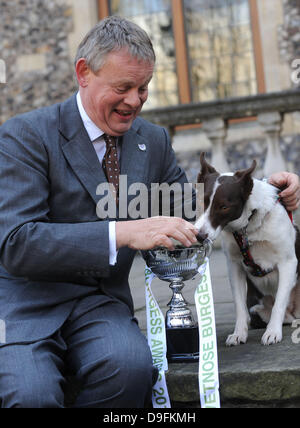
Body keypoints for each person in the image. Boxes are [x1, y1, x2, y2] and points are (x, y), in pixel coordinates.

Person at [0, 16, 299, 408]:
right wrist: (124, 233)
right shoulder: (25, 135)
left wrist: (269, 196)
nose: (135, 100)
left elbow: (196, 210)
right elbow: (18, 243)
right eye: (123, 87)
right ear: (83, 73)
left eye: (143, 88)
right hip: (27, 306)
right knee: (32, 395)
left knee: (133, 372)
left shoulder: (153, 140)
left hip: (100, 306)